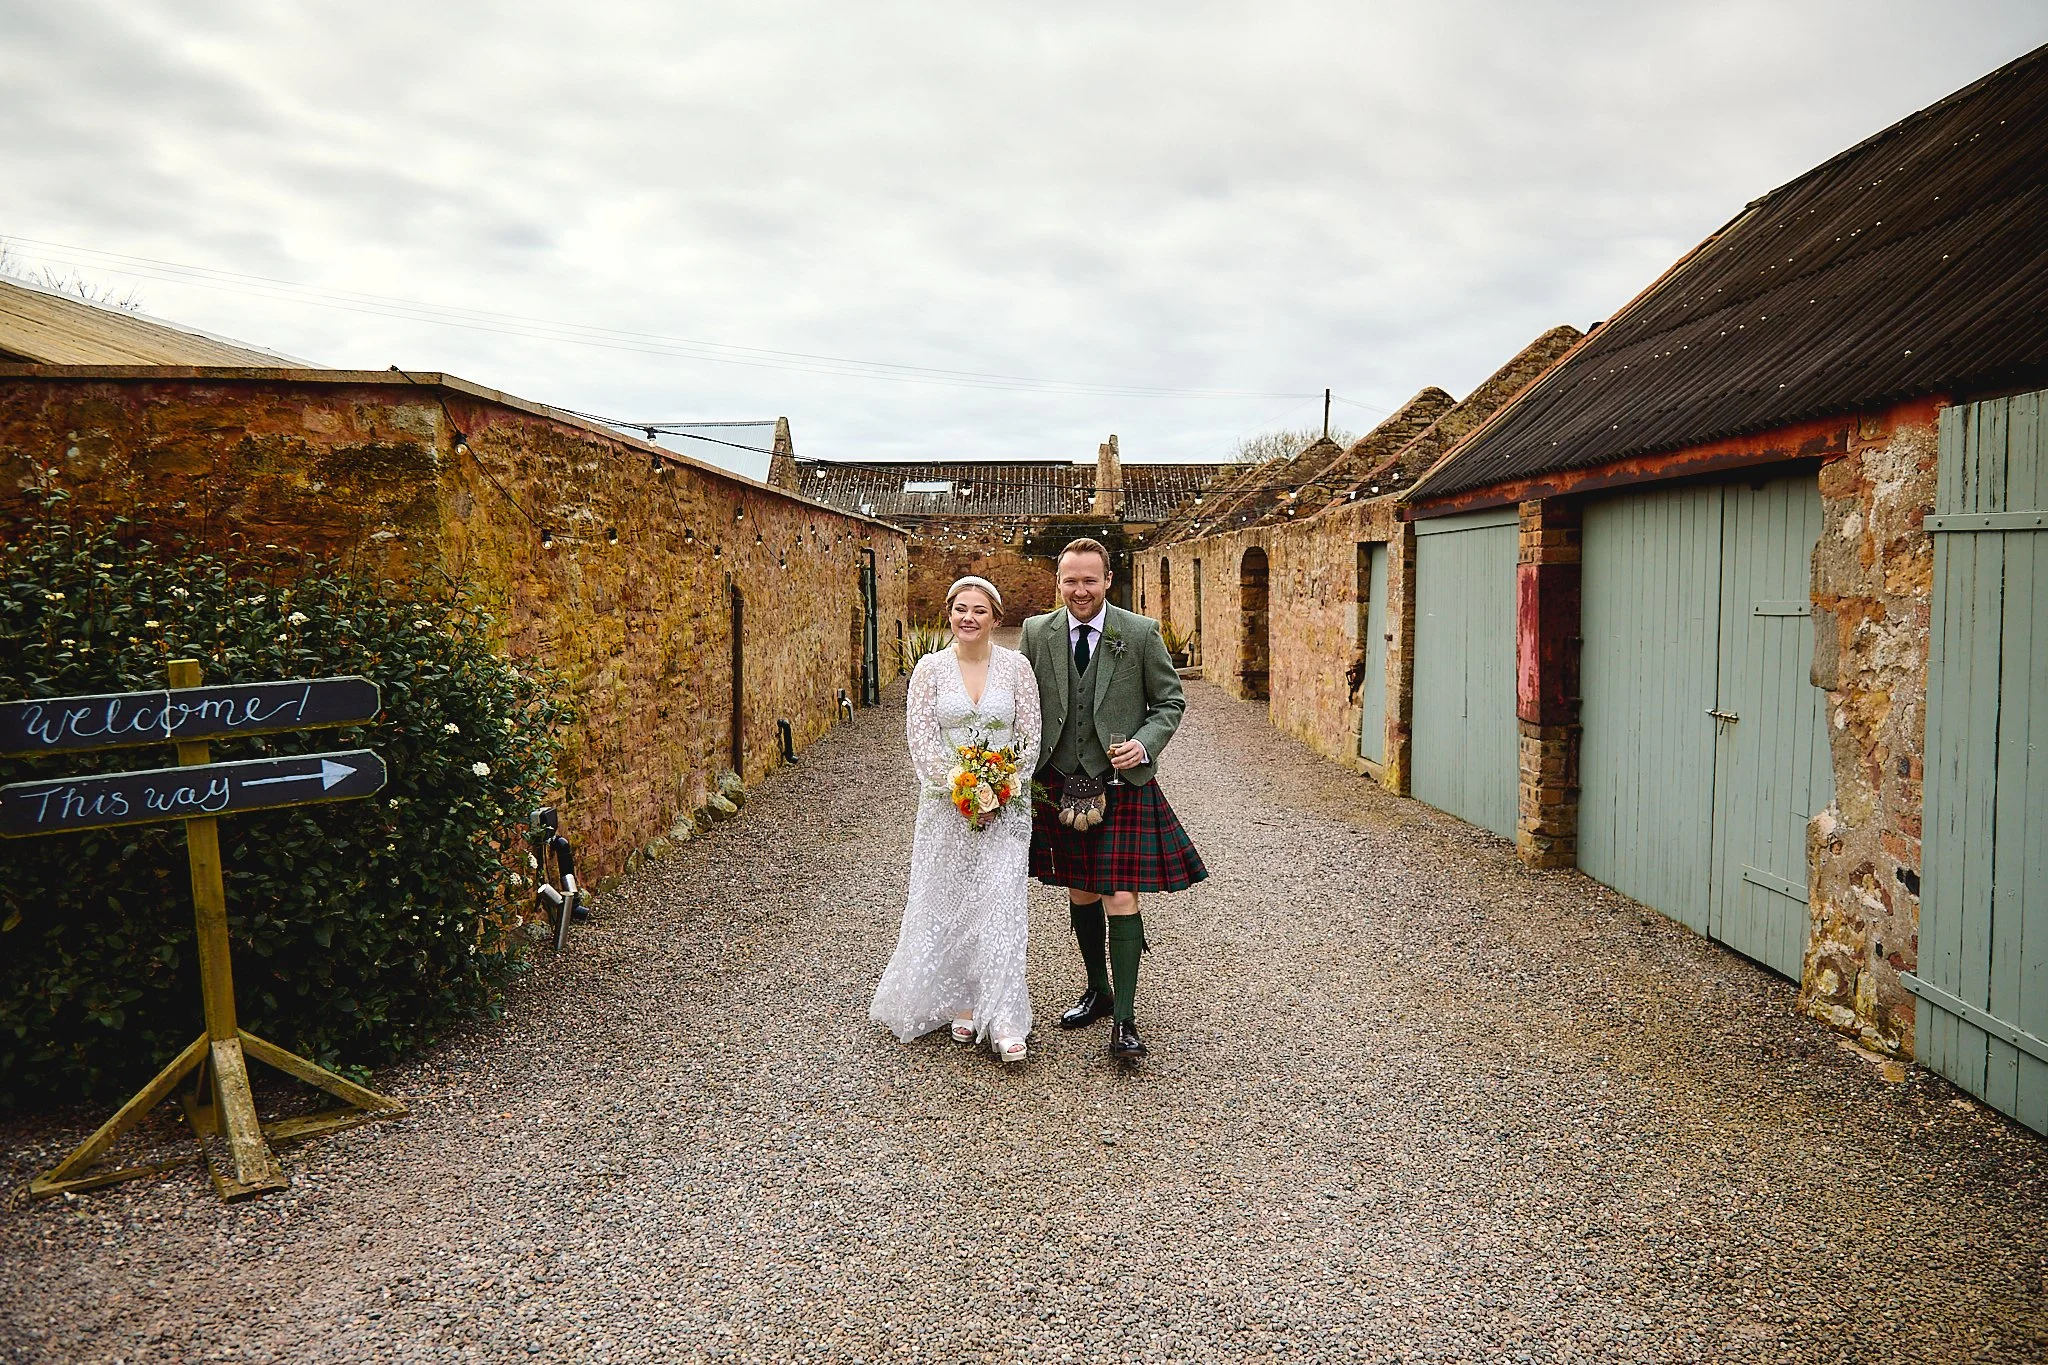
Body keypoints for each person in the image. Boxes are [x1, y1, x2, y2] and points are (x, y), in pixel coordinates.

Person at [1020, 538, 1206, 1060]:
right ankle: (1098, 990)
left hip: (1122, 785)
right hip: (1057, 779)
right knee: (1080, 891)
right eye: (1070, 581)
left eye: (1090, 580)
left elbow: (1170, 701)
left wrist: (1144, 743)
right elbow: (1023, 702)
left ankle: (1124, 1018)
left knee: (1120, 895)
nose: (1080, 590)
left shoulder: (1139, 633)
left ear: (1108, 581)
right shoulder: (1037, 633)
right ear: (1058, 582)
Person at [870, 576, 1041, 1062]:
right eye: (961, 609)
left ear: (995, 618)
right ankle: (965, 1005)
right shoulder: (929, 669)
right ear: (949, 614)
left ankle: (1006, 1018)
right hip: (946, 810)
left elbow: (1030, 735)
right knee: (951, 902)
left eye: (979, 610)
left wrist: (1002, 788)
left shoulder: (1017, 668)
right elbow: (920, 742)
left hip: (1007, 810)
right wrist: (964, 790)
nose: (969, 617)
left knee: (1000, 904)